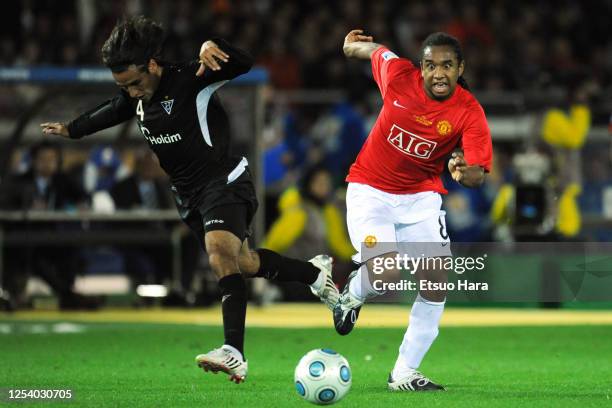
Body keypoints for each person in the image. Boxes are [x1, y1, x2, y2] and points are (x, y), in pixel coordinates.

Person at [40, 16, 338, 384]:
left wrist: (214, 45)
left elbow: (244, 63)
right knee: (242, 262)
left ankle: (234, 353)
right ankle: (314, 274)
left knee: (218, 251)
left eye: (134, 82)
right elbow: (112, 110)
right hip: (189, 195)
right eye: (123, 86)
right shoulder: (136, 97)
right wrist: (72, 129)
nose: (131, 91)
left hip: (224, 181)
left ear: (152, 65)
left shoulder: (190, 79)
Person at [335, 30, 493, 391]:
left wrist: (462, 171)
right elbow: (376, 50)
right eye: (431, 65)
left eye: (447, 65)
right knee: (386, 272)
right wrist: (350, 47)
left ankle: (404, 372)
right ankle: (352, 295)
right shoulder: (398, 76)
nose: (439, 73)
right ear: (420, 67)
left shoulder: (469, 110)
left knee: (436, 282)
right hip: (370, 191)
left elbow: (477, 175)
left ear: (460, 68)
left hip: (421, 198)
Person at [0, 141, 100, 310]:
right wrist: (27, 208)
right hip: (25, 238)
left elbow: (84, 198)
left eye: (51, 159)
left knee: (71, 250)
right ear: (33, 161)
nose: (47, 163)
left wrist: (79, 205)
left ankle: (67, 296)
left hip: (53, 236)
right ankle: (68, 296)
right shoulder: (19, 181)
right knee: (35, 257)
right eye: (43, 159)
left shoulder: (62, 181)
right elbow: (6, 205)